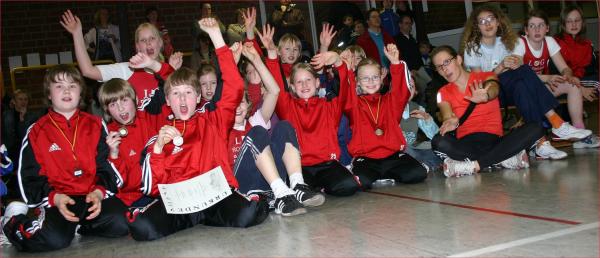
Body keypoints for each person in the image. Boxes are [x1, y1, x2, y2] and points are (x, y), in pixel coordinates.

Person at [129, 18, 268, 241]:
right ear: (167, 100)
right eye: (176, 94)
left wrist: (216, 37)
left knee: (248, 214)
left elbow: (233, 87)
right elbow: (152, 188)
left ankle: (256, 197)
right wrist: (156, 150)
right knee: (142, 228)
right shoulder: (162, 132)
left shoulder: (213, 121)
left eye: (188, 93)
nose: (182, 99)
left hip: (215, 199)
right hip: (180, 204)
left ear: (198, 97)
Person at [2, 65, 129, 252]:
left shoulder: (95, 124)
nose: (67, 90)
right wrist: (55, 197)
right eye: (59, 86)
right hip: (57, 198)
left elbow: (105, 166)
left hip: (90, 196)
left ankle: (76, 226)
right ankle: (11, 223)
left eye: (73, 85)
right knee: (53, 240)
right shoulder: (37, 130)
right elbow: (28, 177)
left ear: (81, 93)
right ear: (49, 94)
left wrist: (99, 192)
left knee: (123, 222)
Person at [460, 4, 591, 160]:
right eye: (482, 21)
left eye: (491, 19)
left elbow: (516, 72)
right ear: (476, 27)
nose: (487, 24)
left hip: (509, 91)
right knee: (522, 71)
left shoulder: (507, 42)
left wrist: (514, 65)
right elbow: (481, 83)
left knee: (522, 83)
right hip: (488, 96)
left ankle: (541, 144)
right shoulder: (472, 48)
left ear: (498, 22)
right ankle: (556, 123)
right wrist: (502, 66)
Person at [260, 24, 360, 196]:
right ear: (292, 87)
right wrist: (271, 54)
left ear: (317, 83)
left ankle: (319, 187)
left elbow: (345, 90)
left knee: (349, 186)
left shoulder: (329, 105)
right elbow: (275, 83)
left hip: (327, 163)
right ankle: (311, 188)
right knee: (300, 188)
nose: (304, 85)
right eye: (299, 82)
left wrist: (338, 61)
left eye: (308, 80)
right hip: (300, 167)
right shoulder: (287, 106)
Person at [230, 43, 325, 216]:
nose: (238, 107)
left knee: (284, 126)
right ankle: (281, 192)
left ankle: (296, 185)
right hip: (241, 184)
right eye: (233, 103)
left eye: (242, 102)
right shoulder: (221, 127)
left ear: (248, 104)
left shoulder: (253, 120)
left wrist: (257, 60)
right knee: (258, 132)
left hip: (269, 184)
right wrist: (231, 65)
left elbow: (274, 91)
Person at [315, 44, 427, 189]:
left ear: (381, 79)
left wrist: (395, 63)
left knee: (418, 174)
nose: (371, 81)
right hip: (366, 158)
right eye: (365, 78)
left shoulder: (390, 101)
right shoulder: (354, 103)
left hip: (392, 155)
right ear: (358, 81)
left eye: (375, 77)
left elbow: (403, 91)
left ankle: (386, 173)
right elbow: (345, 89)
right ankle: (375, 173)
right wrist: (340, 64)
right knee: (361, 182)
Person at [430, 46, 545, 177]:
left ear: (459, 59)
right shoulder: (442, 92)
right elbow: (446, 114)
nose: (444, 69)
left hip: (495, 141)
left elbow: (494, 88)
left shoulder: (486, 76)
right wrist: (451, 121)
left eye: (447, 62)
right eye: (439, 67)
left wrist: (486, 95)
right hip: (467, 145)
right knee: (438, 142)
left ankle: (475, 165)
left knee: (536, 127)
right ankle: (502, 159)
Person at [61, 10, 182, 111]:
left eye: (152, 38)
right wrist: (77, 34)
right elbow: (88, 70)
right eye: (143, 40)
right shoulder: (127, 68)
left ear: (160, 42)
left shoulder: (170, 69)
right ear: (137, 47)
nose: (148, 43)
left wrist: (173, 74)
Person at [514, 9, 598, 149]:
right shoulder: (520, 43)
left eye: (541, 25)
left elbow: (564, 68)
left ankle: (580, 132)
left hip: (540, 89)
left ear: (547, 28)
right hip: (521, 92)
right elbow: (520, 74)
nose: (537, 29)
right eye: (532, 26)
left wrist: (568, 76)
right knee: (527, 84)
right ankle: (554, 128)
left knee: (573, 86)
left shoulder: (549, 41)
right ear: (526, 30)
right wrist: (548, 78)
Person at [99, 78, 162, 208]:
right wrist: (114, 155)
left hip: (159, 191)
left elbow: (169, 90)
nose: (120, 108)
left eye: (124, 100)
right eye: (113, 104)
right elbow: (121, 184)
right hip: (131, 199)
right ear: (107, 111)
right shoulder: (108, 136)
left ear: (135, 101)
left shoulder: (149, 119)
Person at [554, 5, 598, 81]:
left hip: (586, 81)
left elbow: (593, 72)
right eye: (569, 21)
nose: (574, 24)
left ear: (582, 22)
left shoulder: (588, 45)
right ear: (563, 24)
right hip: (562, 83)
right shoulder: (555, 44)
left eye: (577, 20)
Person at [395, 14, 431, 105]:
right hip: (410, 72)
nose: (409, 25)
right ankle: (423, 108)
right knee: (421, 89)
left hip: (419, 69)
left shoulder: (412, 39)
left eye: (410, 23)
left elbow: (417, 55)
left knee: (431, 84)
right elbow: (400, 58)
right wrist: (410, 70)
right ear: (400, 25)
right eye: (406, 23)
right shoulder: (396, 40)